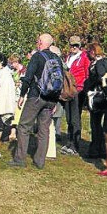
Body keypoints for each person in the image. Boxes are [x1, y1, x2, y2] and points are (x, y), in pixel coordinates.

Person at [8, 33, 63, 169]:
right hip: (50, 99)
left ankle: (19, 159)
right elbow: (60, 82)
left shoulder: (37, 57)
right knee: (44, 130)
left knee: (24, 126)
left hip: (36, 97)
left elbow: (28, 77)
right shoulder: (57, 58)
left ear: (40, 42)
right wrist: (55, 101)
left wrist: (22, 95)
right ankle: (40, 161)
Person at [60, 36, 89, 156]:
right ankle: (69, 142)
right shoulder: (68, 57)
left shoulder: (84, 58)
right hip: (68, 90)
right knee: (69, 118)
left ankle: (75, 145)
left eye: (76, 45)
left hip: (78, 90)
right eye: (72, 45)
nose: (74, 48)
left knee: (75, 119)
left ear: (80, 46)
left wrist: (83, 88)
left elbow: (87, 74)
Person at [83, 42, 107, 159]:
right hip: (104, 96)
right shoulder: (106, 62)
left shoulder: (98, 64)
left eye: (89, 52)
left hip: (98, 96)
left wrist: (89, 84)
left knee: (95, 124)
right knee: (100, 124)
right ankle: (102, 149)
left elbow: (100, 77)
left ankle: (96, 149)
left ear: (93, 52)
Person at [8, 54, 27, 141]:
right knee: (14, 114)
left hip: (21, 96)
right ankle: (13, 133)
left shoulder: (24, 71)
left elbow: (25, 84)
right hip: (14, 95)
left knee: (20, 114)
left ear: (16, 62)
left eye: (12, 63)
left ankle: (20, 134)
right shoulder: (13, 71)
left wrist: (18, 84)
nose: (11, 65)